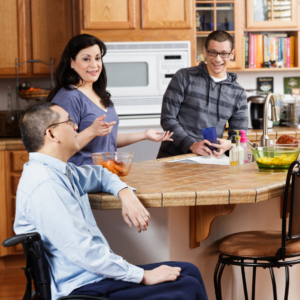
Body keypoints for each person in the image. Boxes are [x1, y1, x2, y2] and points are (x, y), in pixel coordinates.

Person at [14, 102, 208, 300]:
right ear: (52, 134)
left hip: (94, 277)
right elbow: (81, 251)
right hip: (81, 288)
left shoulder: (61, 171)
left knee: (189, 271)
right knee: (187, 287)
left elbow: (100, 174)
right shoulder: (44, 184)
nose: (76, 127)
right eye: (69, 121)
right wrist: (142, 276)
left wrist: (125, 193)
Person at [47, 34, 173, 166]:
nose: (94, 64)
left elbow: (108, 139)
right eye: (86, 59)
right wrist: (91, 131)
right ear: (71, 62)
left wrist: (144, 135)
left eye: (97, 58)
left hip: (107, 173)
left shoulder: (100, 95)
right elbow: (62, 146)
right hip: (81, 178)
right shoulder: (68, 97)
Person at [157, 30, 248, 159]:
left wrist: (228, 144)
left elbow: (239, 134)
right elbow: (167, 118)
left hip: (210, 162)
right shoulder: (184, 77)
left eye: (223, 54)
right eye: (213, 52)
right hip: (174, 158)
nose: (217, 59)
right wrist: (192, 145)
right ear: (205, 51)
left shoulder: (238, 93)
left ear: (231, 54)